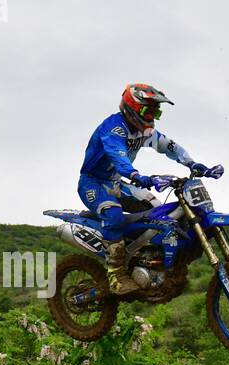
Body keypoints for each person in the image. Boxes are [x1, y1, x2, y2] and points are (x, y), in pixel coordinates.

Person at [78, 83, 211, 293]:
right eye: (148, 111)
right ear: (132, 107)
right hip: (93, 183)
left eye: (155, 111)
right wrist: (137, 175)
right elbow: (118, 155)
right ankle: (116, 275)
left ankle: (147, 260)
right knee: (114, 215)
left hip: (116, 184)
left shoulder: (145, 132)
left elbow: (169, 146)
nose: (152, 117)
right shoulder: (113, 129)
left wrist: (192, 164)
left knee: (158, 211)